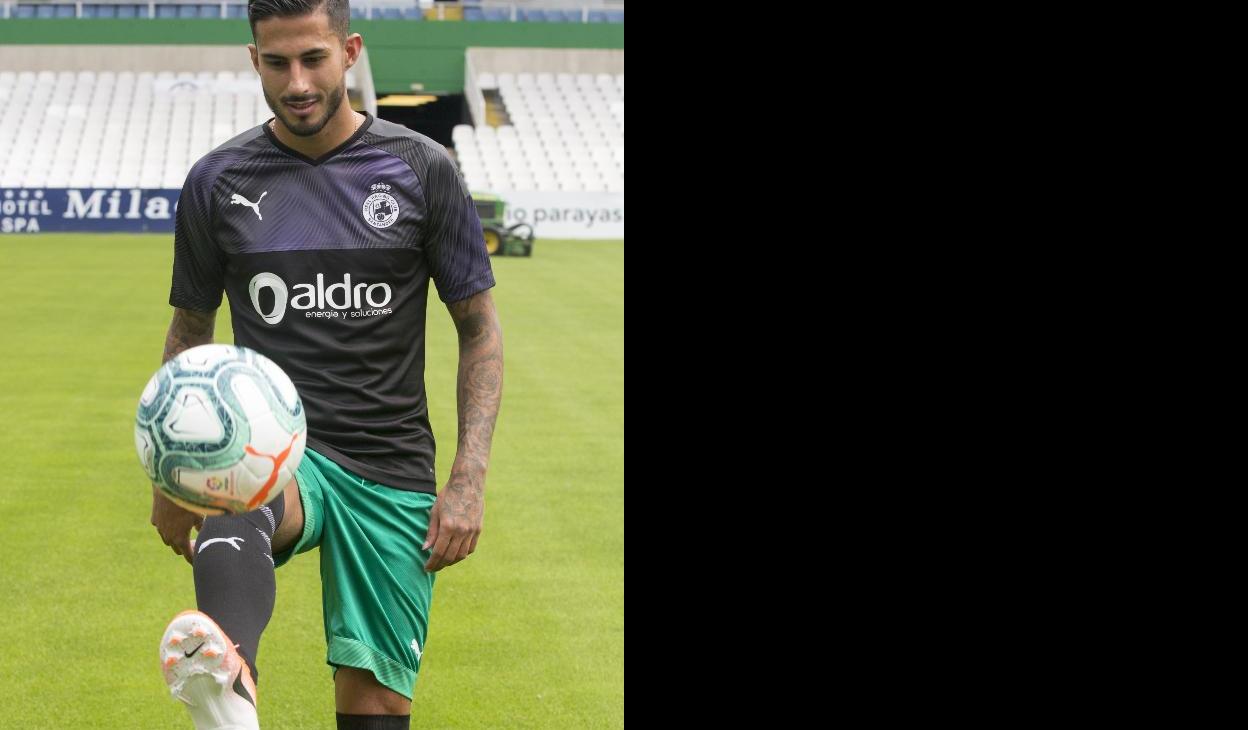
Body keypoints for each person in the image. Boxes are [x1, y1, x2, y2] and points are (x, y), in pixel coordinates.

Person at [149, 1, 504, 728]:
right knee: (235, 488)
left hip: (393, 463)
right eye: (277, 63)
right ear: (255, 61)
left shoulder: (420, 169)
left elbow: (480, 331)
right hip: (279, 448)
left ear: (350, 51)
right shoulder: (218, 181)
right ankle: (230, 686)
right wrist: (170, 476)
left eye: (313, 59)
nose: (298, 82)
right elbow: (191, 327)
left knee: (374, 710)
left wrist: (467, 479)